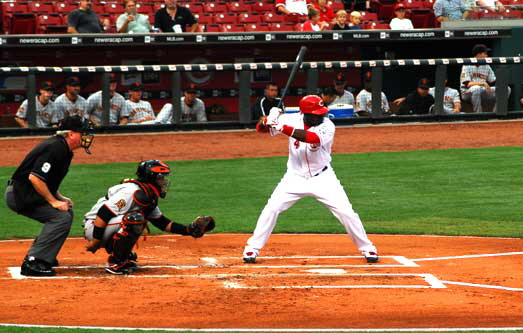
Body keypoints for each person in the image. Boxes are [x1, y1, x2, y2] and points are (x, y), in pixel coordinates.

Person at [242, 95, 379, 264]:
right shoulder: (290, 119)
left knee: (346, 212)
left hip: (323, 178)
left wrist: (280, 125)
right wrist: (267, 120)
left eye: (321, 113)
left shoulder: (327, 125)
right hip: (294, 177)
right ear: (304, 113)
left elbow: (310, 138)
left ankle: (367, 247)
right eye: (315, 114)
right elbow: (260, 129)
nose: (320, 116)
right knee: (271, 209)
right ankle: (252, 248)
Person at [84, 160, 215, 274]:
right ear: (151, 177)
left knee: (137, 218)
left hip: (107, 226)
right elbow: (103, 214)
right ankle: (116, 262)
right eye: (161, 178)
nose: (163, 181)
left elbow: (162, 222)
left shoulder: (148, 195)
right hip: (95, 227)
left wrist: (188, 230)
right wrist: (95, 241)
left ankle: (123, 256)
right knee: (135, 219)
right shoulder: (131, 191)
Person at [5, 115, 94, 277]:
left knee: (66, 212)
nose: (87, 137)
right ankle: (33, 261)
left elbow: (47, 180)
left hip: (27, 193)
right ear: (71, 134)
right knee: (60, 217)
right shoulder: (56, 147)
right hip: (20, 196)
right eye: (83, 133)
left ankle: (45, 254)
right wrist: (53, 202)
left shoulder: (63, 149)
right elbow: (35, 177)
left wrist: (60, 197)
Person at [460, 44, 510, 113]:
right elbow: (467, 84)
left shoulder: (486, 65)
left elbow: (493, 80)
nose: (487, 56)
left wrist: (501, 81)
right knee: (476, 88)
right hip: (467, 92)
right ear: (479, 54)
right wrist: (483, 83)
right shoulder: (467, 64)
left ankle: (497, 113)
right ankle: (479, 115)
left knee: (506, 89)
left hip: (482, 91)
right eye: (485, 53)